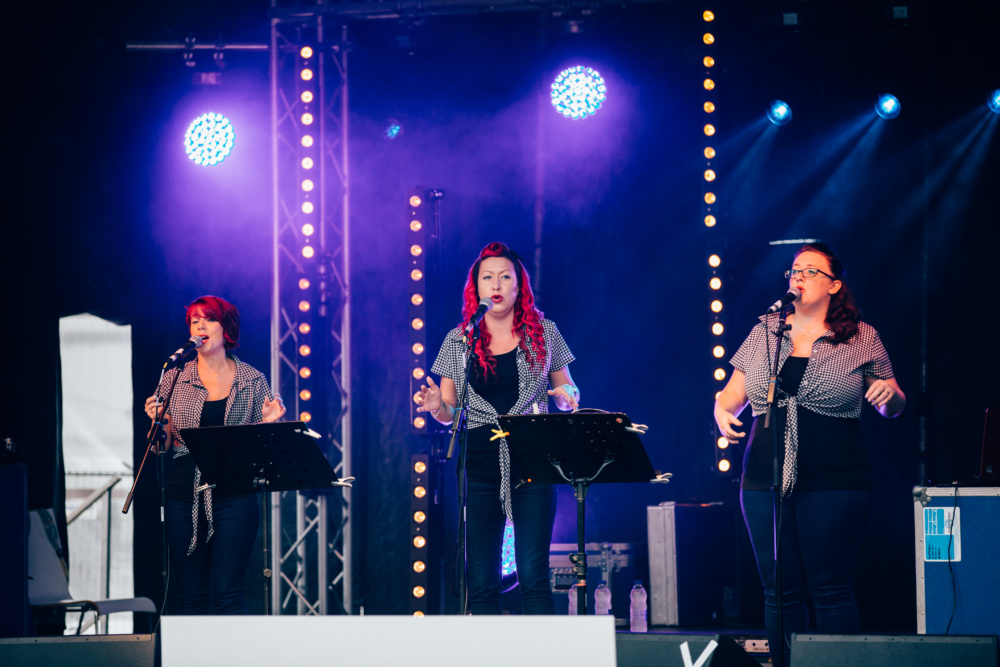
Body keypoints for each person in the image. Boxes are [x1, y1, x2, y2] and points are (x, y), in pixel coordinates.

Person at [713, 243, 905, 665]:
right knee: (778, 591)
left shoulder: (862, 336)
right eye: (794, 270)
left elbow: (895, 403)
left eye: (811, 270)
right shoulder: (765, 331)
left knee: (830, 589)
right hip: (763, 478)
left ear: (834, 285)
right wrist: (722, 412)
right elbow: (730, 395)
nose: (798, 275)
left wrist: (887, 395)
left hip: (835, 478)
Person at [416, 242, 580, 614]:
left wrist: (565, 396)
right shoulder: (459, 340)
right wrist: (436, 406)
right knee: (481, 582)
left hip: (534, 464)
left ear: (519, 286)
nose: (496, 284)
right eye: (487, 277)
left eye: (505, 277)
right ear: (475, 288)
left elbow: (569, 388)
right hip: (480, 468)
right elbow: (450, 413)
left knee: (533, 576)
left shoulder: (545, 332)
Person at [143, 295, 285, 614]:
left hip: (234, 495)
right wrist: (158, 422)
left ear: (226, 328)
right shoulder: (174, 377)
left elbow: (264, 452)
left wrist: (268, 423)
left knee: (228, 593)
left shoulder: (252, 379)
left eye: (208, 319)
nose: (200, 326)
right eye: (195, 321)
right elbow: (160, 448)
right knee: (189, 594)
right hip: (184, 494)